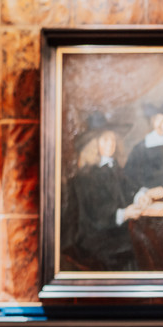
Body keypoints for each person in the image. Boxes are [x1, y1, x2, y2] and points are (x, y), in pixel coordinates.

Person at [61, 111, 139, 271]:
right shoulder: (86, 177)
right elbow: (98, 216)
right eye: (105, 139)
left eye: (112, 139)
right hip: (93, 236)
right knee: (135, 247)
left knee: (143, 240)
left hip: (114, 230)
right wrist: (125, 213)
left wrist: (142, 195)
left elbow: (129, 188)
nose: (111, 143)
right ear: (93, 144)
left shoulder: (114, 168)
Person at [123, 96, 163, 202]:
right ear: (153, 121)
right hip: (148, 199)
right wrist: (144, 193)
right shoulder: (141, 148)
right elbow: (129, 178)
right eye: (158, 119)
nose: (160, 124)